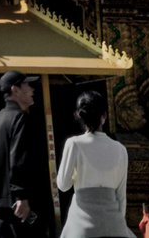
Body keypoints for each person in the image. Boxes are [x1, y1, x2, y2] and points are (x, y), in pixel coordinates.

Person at [56, 92, 131, 238]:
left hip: (81, 226)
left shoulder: (74, 144)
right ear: (104, 116)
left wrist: (76, 175)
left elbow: (63, 185)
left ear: (79, 116)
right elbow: (121, 196)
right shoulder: (120, 149)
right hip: (114, 225)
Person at [0, 73, 46, 238]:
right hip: (18, 206)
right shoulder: (19, 118)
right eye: (27, 85)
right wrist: (21, 196)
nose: (32, 89)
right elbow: (18, 159)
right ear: (15, 90)